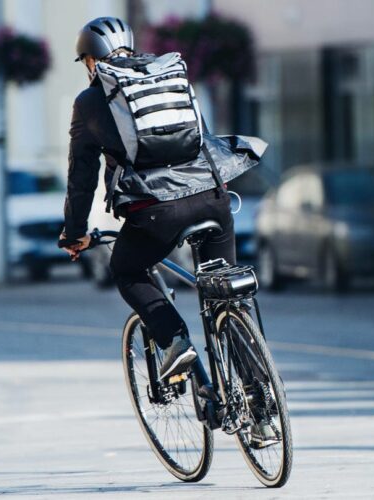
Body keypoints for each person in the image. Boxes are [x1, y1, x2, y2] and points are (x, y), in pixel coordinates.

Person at [60, 17, 266, 382]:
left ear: (91, 61)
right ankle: (261, 407)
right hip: (212, 196)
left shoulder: (91, 100)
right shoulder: (169, 74)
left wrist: (75, 232)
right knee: (227, 296)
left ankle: (174, 341)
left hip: (155, 211)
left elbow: (82, 176)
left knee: (127, 269)